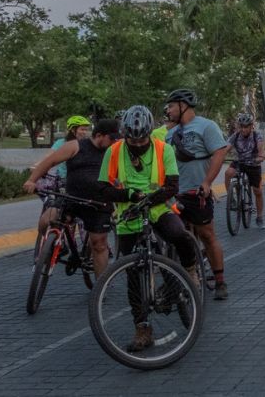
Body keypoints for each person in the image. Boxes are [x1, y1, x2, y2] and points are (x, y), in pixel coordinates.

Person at [98, 105, 196, 352]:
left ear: (149, 134)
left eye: (142, 138)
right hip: (128, 213)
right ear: (125, 134)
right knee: (132, 273)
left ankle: (190, 269)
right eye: (132, 138)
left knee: (179, 235)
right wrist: (130, 195)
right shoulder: (114, 151)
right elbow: (103, 188)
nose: (138, 143)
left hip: (158, 207)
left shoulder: (164, 149)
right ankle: (142, 328)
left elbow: (172, 185)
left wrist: (149, 199)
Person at [23, 119, 120, 277]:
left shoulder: (114, 151)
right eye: (111, 138)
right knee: (45, 221)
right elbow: (50, 161)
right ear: (100, 135)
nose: (114, 141)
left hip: (98, 204)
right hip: (71, 199)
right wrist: (32, 180)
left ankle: (101, 288)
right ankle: (58, 246)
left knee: (99, 245)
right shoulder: (75, 146)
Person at [164, 89, 230, 300]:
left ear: (184, 105)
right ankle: (185, 279)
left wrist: (207, 182)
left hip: (197, 192)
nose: (169, 110)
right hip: (176, 195)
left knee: (207, 235)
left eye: (172, 105)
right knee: (175, 237)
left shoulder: (206, 126)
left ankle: (220, 281)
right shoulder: (170, 134)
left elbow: (219, 152)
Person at [224, 113, 265, 227]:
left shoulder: (257, 136)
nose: (243, 129)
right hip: (239, 162)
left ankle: (260, 216)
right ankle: (231, 198)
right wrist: (220, 155)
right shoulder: (235, 136)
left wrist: (260, 157)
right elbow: (226, 148)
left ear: (251, 126)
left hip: (253, 163)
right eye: (241, 126)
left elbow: (261, 150)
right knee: (228, 173)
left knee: (258, 191)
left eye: (246, 126)